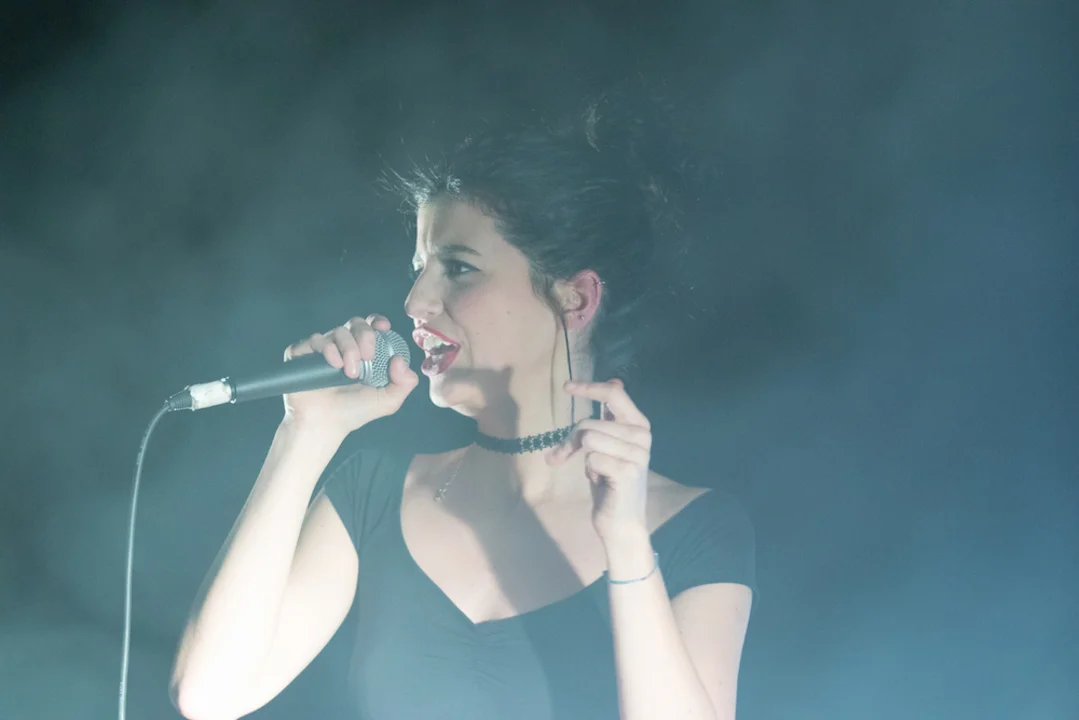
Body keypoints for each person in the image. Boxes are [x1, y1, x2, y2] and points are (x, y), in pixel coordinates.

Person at [170, 94, 755, 720]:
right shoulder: (373, 492)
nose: (416, 302)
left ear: (576, 299)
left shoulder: (691, 528)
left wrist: (628, 545)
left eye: (458, 268)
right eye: (420, 268)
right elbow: (209, 696)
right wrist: (305, 431)